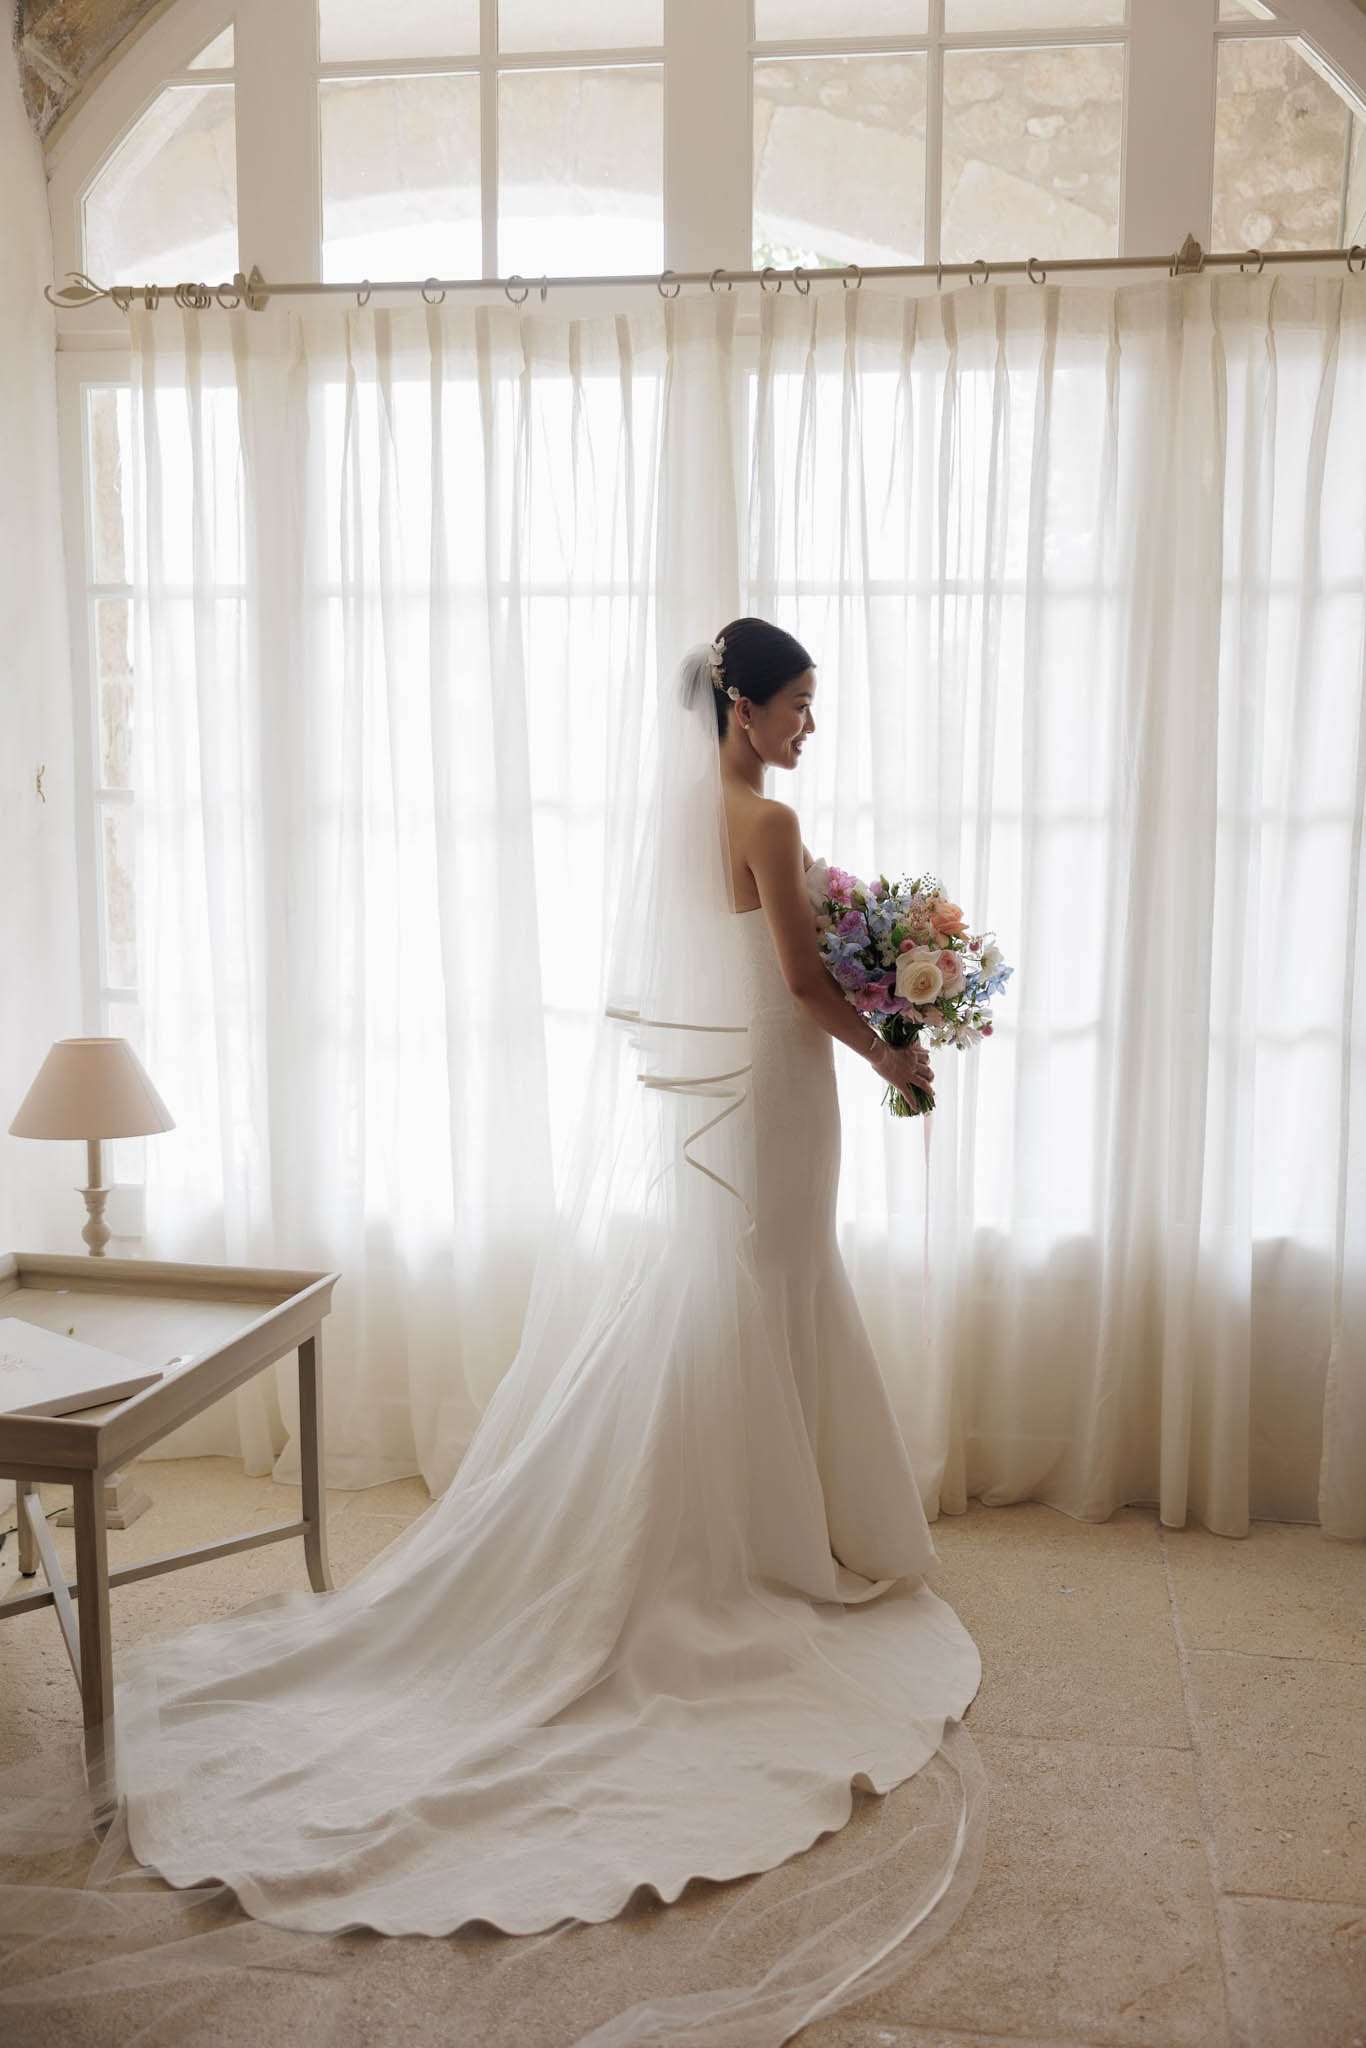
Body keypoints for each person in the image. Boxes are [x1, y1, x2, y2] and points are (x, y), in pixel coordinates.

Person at [23, 620, 985, 2043]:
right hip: (777, 1095)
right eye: (796, 705)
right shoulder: (766, 821)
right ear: (738, 706)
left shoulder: (682, 813)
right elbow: (795, 982)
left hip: (725, 1108)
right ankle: (774, 1543)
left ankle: (778, 1518)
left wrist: (879, 986)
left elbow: (749, 965)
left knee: (744, 1291)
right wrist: (895, 1045)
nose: (807, 730)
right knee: (775, 1282)